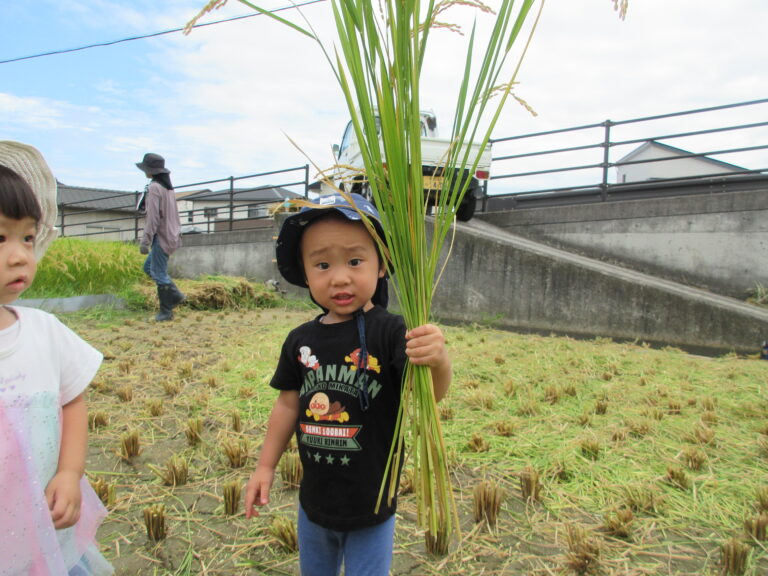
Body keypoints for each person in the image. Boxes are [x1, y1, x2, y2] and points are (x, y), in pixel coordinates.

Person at [244, 193, 452, 576]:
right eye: (322, 264)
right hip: (315, 504)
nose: (340, 277)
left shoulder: (393, 332)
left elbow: (428, 396)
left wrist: (438, 360)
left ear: (381, 265)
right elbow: (288, 405)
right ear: (305, 275)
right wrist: (264, 466)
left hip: (372, 505)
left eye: (355, 261)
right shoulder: (300, 340)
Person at [0, 141, 113, 575]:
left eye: (27, 237)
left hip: (41, 523)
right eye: (2, 237)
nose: (20, 254)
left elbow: (72, 400)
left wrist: (69, 472)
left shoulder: (44, 332)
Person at [135, 152, 184, 321]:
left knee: (158, 272)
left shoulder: (155, 188)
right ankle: (175, 296)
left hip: (162, 236)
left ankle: (166, 312)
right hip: (172, 234)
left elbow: (153, 217)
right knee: (149, 268)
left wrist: (145, 240)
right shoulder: (167, 188)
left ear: (150, 170)